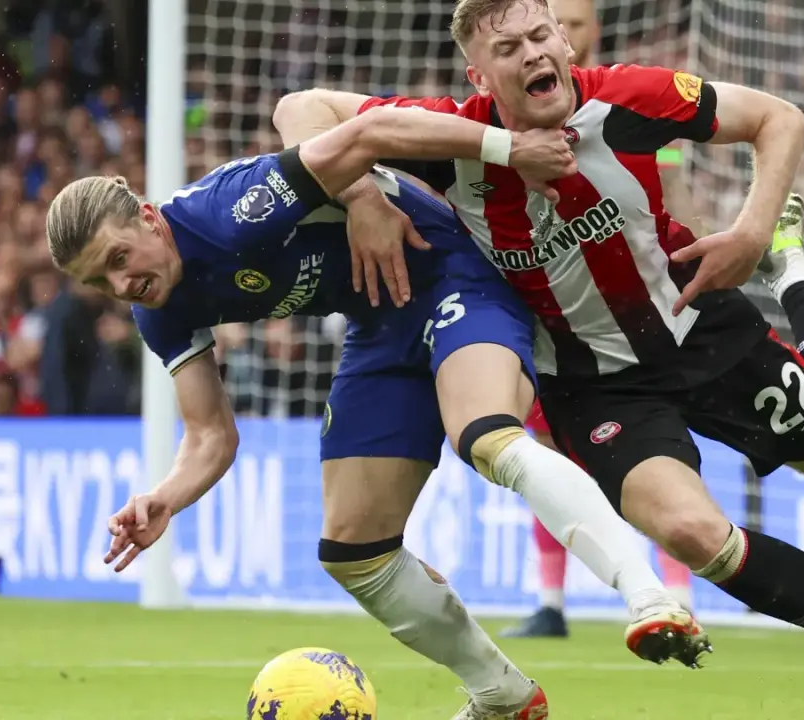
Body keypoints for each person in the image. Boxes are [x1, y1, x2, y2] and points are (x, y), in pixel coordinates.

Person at [271, 0, 804, 707]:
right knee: (690, 531)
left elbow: (778, 118)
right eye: (508, 48)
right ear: (478, 75)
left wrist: (753, 231)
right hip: (596, 389)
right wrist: (361, 195)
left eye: (541, 36)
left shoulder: (628, 98)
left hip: (700, 330)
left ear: (566, 46)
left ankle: (790, 271)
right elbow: (301, 108)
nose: (532, 54)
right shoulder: (452, 138)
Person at [48, 105, 709, 720]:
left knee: (484, 437)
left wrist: (387, 185)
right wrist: (166, 497)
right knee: (353, 547)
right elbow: (210, 435)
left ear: (147, 216)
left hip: (454, 273)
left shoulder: (232, 212)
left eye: (117, 258)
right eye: (99, 282)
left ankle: (649, 596)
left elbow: (361, 131)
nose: (120, 284)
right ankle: (502, 694)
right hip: (379, 319)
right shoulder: (159, 313)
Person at [503, 0, 698, 639]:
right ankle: (551, 602)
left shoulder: (629, 105)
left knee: (665, 451)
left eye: (569, 28)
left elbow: (674, 202)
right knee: (548, 452)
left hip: (646, 313)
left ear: (582, 35)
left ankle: (676, 590)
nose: (550, 44)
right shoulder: (504, 123)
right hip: (553, 325)